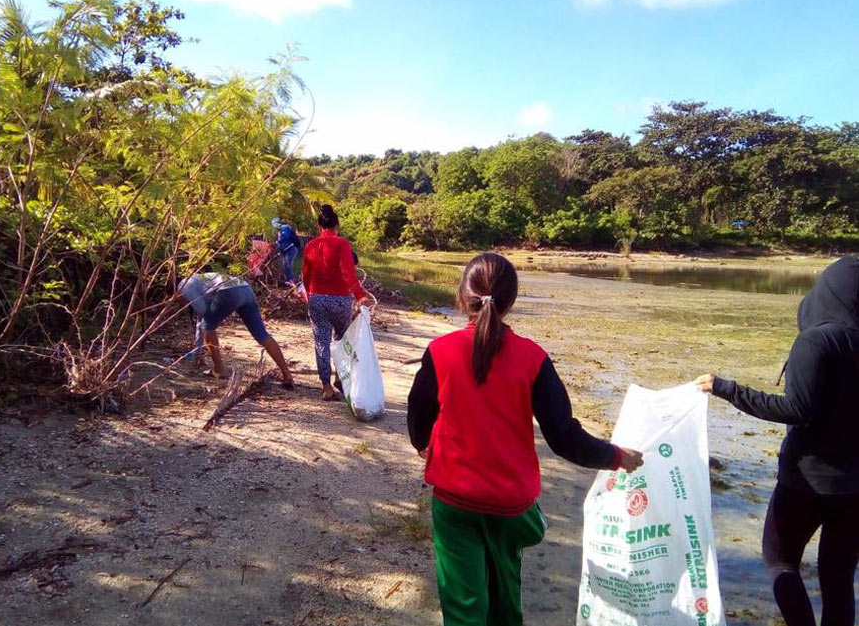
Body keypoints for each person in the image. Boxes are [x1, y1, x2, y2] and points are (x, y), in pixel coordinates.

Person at [406, 252, 643, 626]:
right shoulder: (533, 358)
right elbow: (563, 435)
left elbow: (418, 409)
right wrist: (615, 456)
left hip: (454, 502)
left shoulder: (440, 352)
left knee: (463, 605)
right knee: (505, 597)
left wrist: (421, 443)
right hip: (510, 503)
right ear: (510, 302)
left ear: (461, 296)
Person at [696, 255, 859, 626]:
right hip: (855, 489)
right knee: (838, 576)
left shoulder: (817, 341)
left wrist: (728, 389)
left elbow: (795, 409)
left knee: (779, 559)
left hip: (807, 481)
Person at [175, 271, 295, 389]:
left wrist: (199, 348)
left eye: (176, 300)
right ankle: (287, 375)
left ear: (175, 293)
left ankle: (218, 369)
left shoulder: (184, 286)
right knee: (262, 335)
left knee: (208, 327)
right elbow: (203, 320)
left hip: (229, 291)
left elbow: (204, 316)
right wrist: (197, 353)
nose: (179, 304)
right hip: (245, 288)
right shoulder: (197, 281)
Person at [302, 204, 370, 401]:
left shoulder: (311, 245)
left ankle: (326, 387)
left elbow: (306, 275)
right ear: (337, 225)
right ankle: (340, 377)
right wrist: (359, 295)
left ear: (319, 225)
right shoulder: (342, 244)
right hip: (340, 300)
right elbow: (349, 273)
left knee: (321, 342)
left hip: (317, 298)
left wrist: (309, 295)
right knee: (342, 340)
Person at [271, 217, 301, 284]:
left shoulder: (284, 228)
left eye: (274, 224)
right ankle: (289, 280)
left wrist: (277, 243)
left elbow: (284, 239)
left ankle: (292, 281)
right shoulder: (281, 230)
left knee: (287, 266)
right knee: (285, 265)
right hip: (288, 250)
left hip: (291, 249)